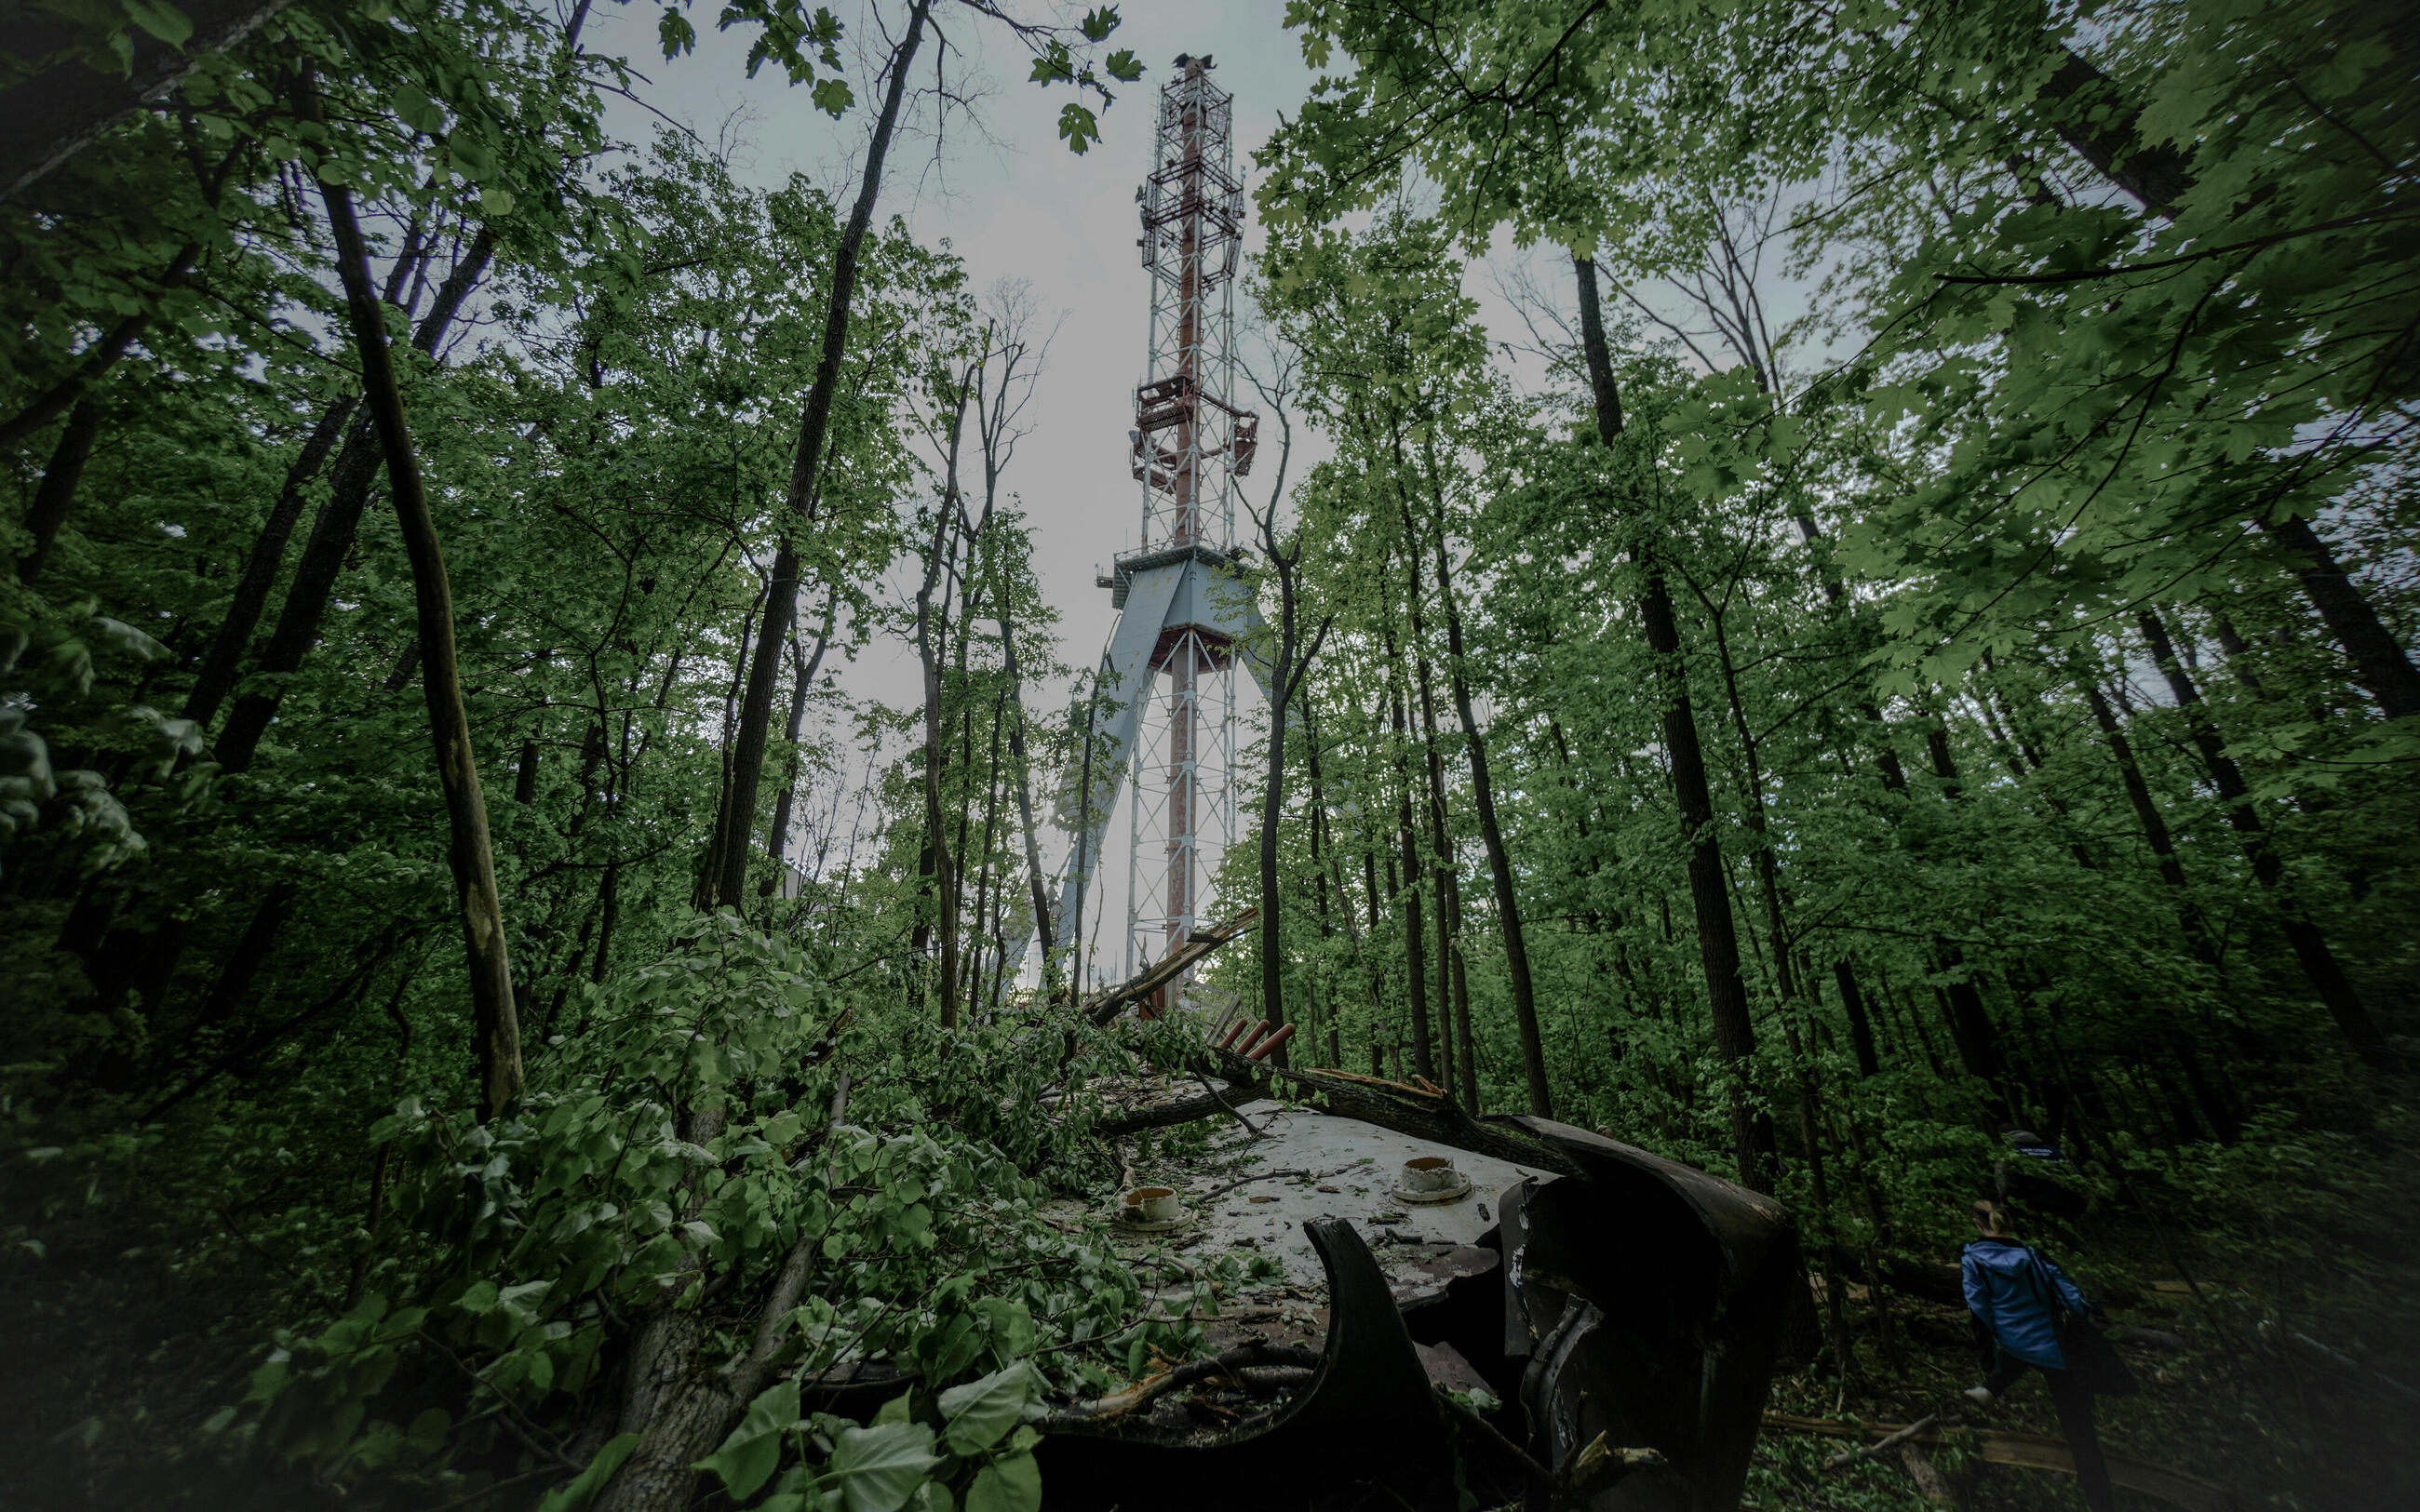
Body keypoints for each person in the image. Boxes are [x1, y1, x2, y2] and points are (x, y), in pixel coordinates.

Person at [1960, 1198, 2116, 1512]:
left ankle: (1992, 1386)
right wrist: (2083, 1318)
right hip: (2055, 1348)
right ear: (2012, 1224)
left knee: (2020, 1355)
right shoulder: (2033, 1256)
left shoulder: (1973, 1260)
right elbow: (2070, 1295)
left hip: (2016, 1345)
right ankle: (2101, 1502)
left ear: (1977, 1223)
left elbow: (1979, 1310)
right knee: (2081, 1432)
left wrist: (1988, 1358)